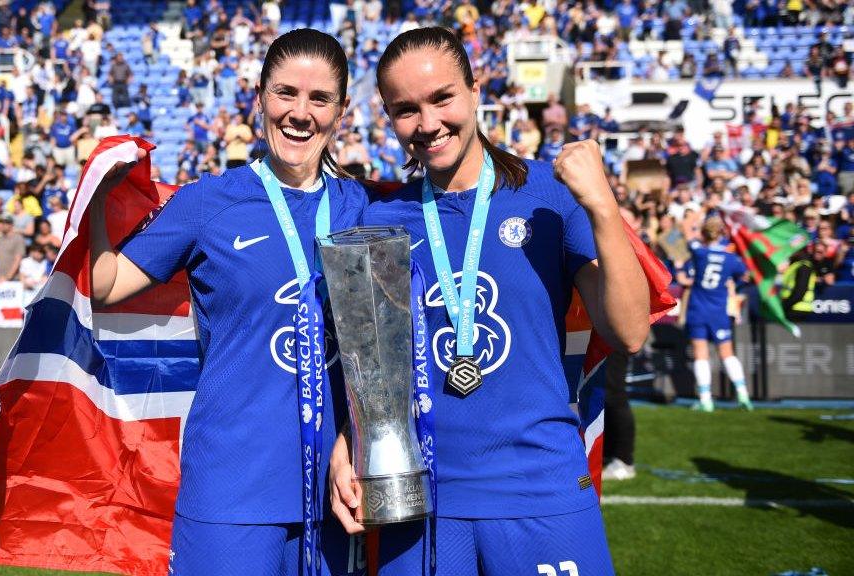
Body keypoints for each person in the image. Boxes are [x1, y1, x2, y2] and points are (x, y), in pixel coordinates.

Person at [330, 27, 649, 575]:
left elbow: (629, 331)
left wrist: (601, 203)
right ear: (387, 116)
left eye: (442, 98)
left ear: (477, 91)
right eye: (406, 110)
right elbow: (371, 365)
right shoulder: (382, 220)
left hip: (540, 487)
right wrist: (345, 441)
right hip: (424, 502)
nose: (428, 124)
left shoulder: (548, 196)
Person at [88, 29, 367, 576]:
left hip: (340, 488)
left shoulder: (362, 206)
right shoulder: (208, 202)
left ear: (342, 110)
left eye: (319, 98)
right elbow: (106, 283)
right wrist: (99, 192)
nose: (300, 113)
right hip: (231, 486)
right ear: (259, 95)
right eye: (286, 93)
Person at [675, 216, 751, 412]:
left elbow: (684, 228)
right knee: (727, 353)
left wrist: (698, 215)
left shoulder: (699, 252)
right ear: (722, 233)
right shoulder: (730, 258)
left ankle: (706, 399)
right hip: (719, 311)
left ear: (704, 233)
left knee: (701, 354)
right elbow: (745, 274)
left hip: (698, 308)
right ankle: (743, 394)